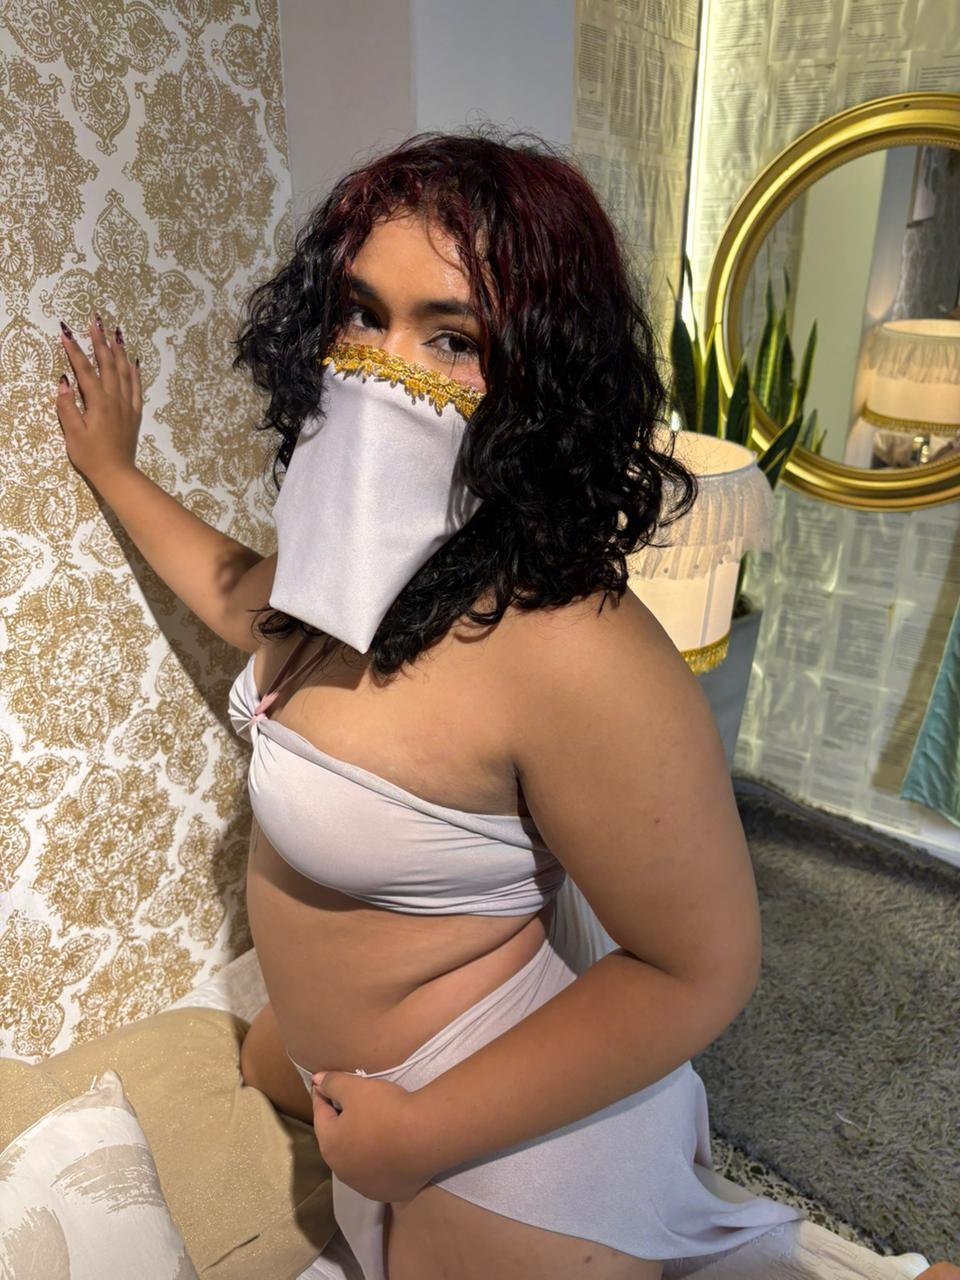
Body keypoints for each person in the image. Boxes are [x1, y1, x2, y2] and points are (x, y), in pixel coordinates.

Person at [54, 128, 959, 1280]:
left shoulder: (577, 645)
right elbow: (240, 594)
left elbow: (702, 964)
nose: (384, 371)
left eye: (452, 337)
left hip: (492, 1115)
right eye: (360, 314)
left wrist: (424, 1132)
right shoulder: (352, 566)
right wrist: (115, 468)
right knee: (259, 1060)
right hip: (360, 1080)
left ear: (540, 375)